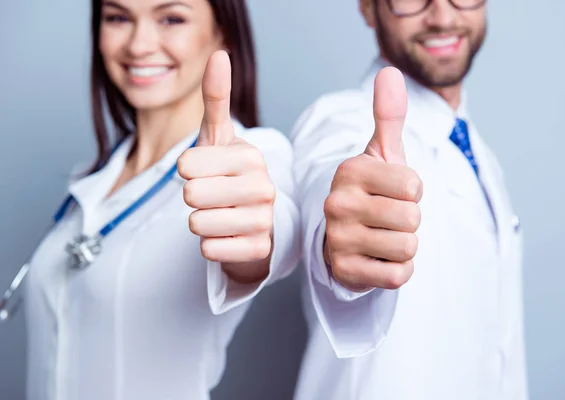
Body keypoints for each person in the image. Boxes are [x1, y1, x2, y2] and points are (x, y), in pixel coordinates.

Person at [24, 1, 300, 399]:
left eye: (172, 18)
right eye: (118, 18)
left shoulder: (253, 157)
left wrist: (258, 239)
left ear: (221, 32)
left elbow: (266, 237)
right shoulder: (92, 178)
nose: (139, 44)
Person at [292, 0, 527, 399]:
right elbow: (331, 185)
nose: (443, 16)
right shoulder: (340, 120)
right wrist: (336, 242)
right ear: (368, 8)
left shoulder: (480, 156)